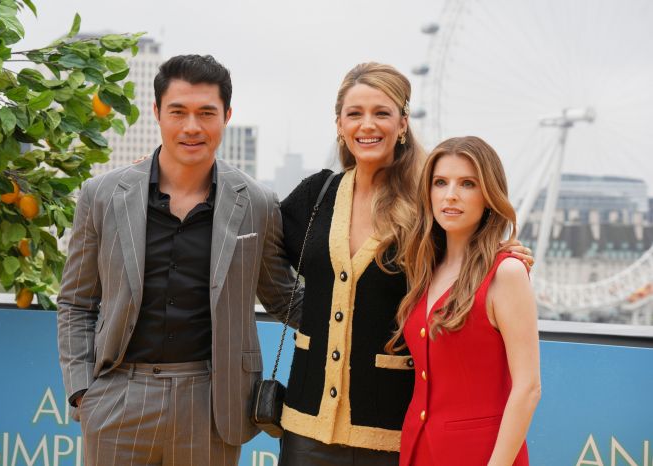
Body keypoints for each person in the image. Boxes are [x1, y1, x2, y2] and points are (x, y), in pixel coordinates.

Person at [277, 64, 534, 465]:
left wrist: (505, 254)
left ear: (402, 123)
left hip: (394, 428)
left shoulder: (427, 204)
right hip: (304, 424)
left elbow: (467, 253)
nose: (367, 124)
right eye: (355, 113)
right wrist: (307, 313)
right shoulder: (316, 195)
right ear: (339, 124)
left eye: (381, 113)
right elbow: (263, 255)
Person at [57, 54, 302, 466]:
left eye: (206, 113)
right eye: (178, 112)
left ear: (226, 116)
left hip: (212, 403)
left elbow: (284, 298)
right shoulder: (102, 195)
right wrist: (83, 391)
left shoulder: (258, 204)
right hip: (118, 397)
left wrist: (364, 322)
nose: (192, 127)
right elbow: (76, 302)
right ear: (157, 113)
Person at [394, 136, 541, 466]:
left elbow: (528, 388)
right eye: (440, 182)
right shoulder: (425, 271)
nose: (450, 195)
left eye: (467, 184)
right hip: (417, 451)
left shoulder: (506, 273)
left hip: (481, 455)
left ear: (488, 195)